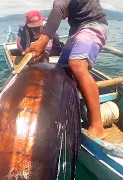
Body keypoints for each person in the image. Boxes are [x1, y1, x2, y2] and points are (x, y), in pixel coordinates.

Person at [24, 0, 108, 139]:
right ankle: (70, 112)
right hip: (75, 31)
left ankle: (98, 127)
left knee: (76, 64)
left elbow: (58, 9)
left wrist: (42, 42)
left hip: (93, 26)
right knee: (60, 72)